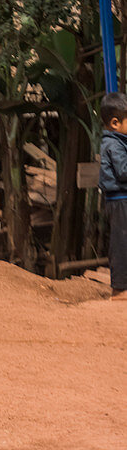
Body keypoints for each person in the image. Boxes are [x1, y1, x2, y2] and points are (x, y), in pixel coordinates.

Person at [99, 92, 127, 298]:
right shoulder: (113, 144)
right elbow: (124, 172)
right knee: (120, 242)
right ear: (115, 123)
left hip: (122, 200)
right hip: (119, 201)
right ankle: (119, 289)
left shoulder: (118, 142)